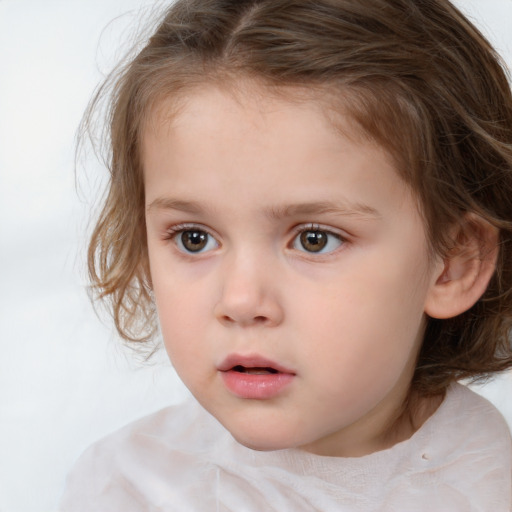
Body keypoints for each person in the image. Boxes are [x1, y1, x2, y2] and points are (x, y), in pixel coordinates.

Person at [59, 0, 512, 510]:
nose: (241, 300)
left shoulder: (486, 491)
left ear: (453, 263)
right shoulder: (125, 489)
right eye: (194, 238)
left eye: (314, 239)